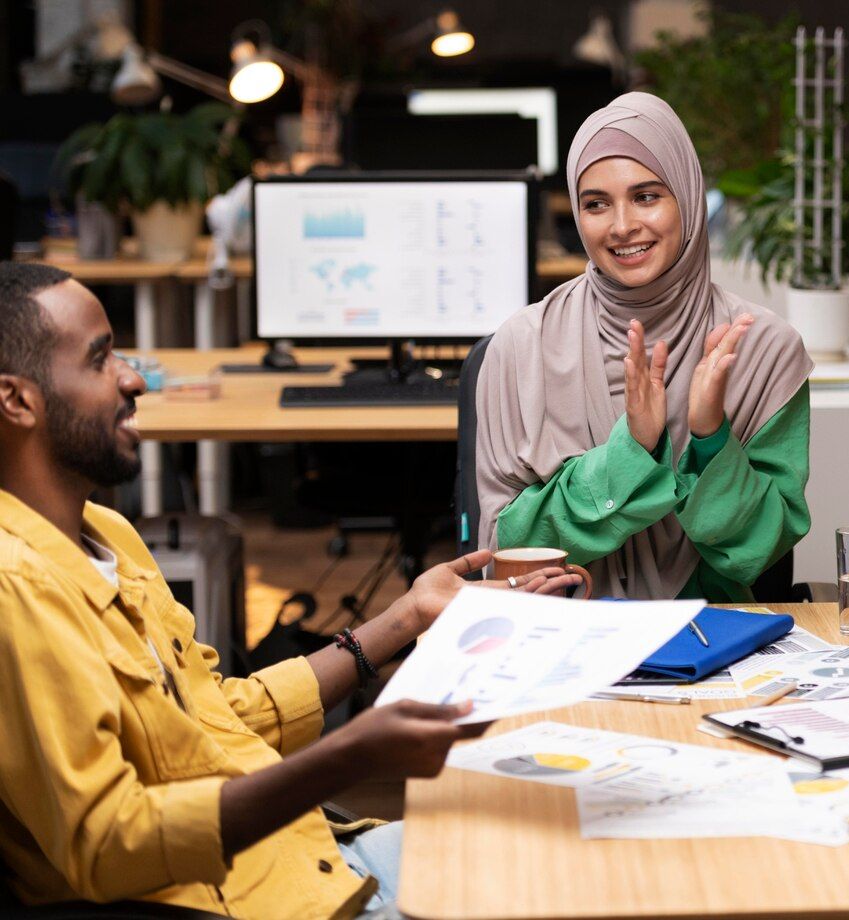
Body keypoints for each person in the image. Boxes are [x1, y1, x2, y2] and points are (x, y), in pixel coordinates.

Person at [0, 263, 579, 916]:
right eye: (101, 360)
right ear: (17, 401)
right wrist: (347, 756)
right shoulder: (16, 591)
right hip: (249, 904)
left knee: (566, 848)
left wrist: (405, 616)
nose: (133, 378)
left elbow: (213, 718)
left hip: (307, 860)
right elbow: (111, 844)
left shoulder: (103, 531)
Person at [475, 92, 814, 602]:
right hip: (560, 642)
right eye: (596, 204)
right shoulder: (522, 346)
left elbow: (760, 550)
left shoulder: (763, 349)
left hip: (714, 649)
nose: (621, 225)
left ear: (688, 196)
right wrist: (630, 451)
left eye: (647, 196)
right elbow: (506, 551)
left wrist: (710, 436)